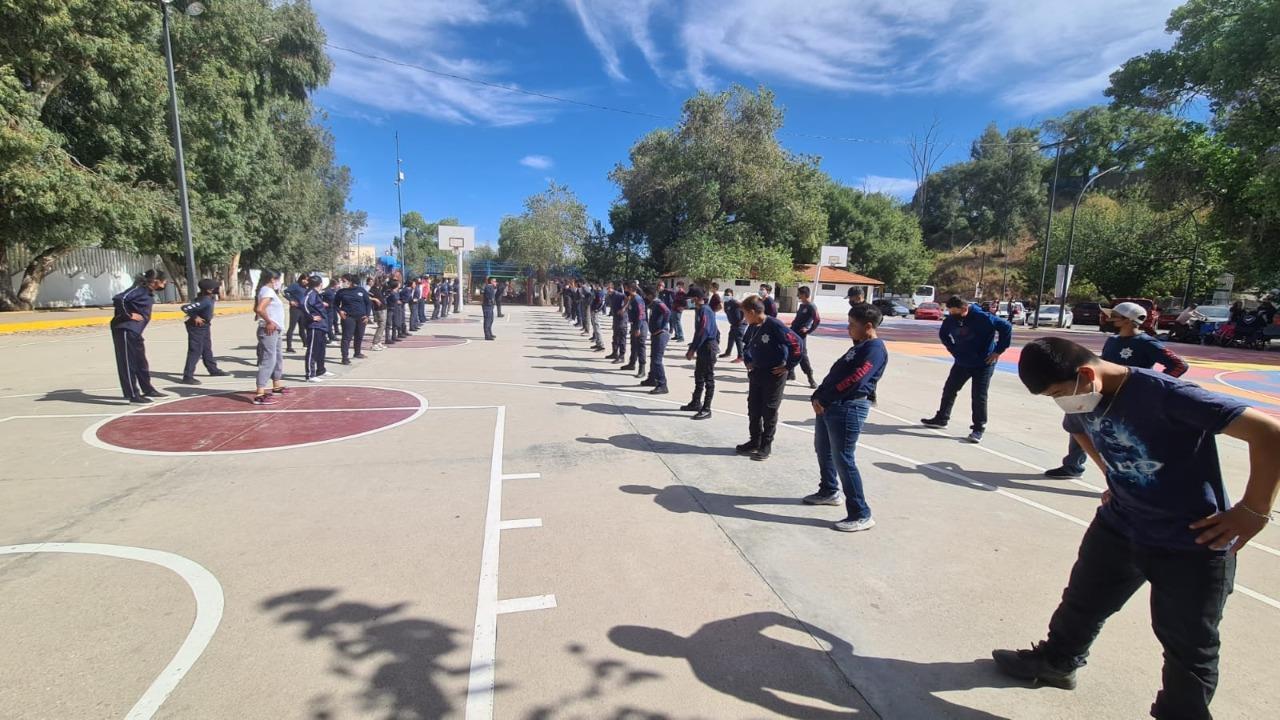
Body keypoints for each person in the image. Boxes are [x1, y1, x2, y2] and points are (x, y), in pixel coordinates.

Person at [993, 337, 1280, 720]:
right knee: (1082, 603)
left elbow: (1269, 433)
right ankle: (1058, 663)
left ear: (1085, 373)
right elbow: (1077, 426)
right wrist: (1114, 476)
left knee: (1189, 644)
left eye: (1060, 392)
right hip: (1120, 524)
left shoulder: (1165, 395)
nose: (1062, 401)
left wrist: (1253, 510)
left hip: (1190, 539)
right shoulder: (1083, 395)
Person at [1046, 302, 1189, 478]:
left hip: (1128, 398)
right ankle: (1073, 466)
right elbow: (1103, 363)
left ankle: (1131, 477)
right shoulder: (1113, 340)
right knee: (1076, 422)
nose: (1109, 318)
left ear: (1128, 320)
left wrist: (1152, 386)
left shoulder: (1146, 343)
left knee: (1122, 438)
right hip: (1103, 392)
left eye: (1114, 316)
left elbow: (1179, 365)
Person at [804, 303, 889, 532]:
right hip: (831, 406)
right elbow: (837, 373)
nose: (848, 329)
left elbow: (856, 379)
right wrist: (818, 394)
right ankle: (829, 490)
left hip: (848, 407)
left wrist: (828, 397)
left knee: (844, 458)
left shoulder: (874, 349)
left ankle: (861, 513)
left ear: (868, 326)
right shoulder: (859, 346)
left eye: (852, 325)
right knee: (823, 449)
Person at [920, 296, 1012, 444]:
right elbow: (943, 335)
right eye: (950, 312)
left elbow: (1006, 327)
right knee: (949, 389)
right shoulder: (951, 319)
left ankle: (978, 428)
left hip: (984, 363)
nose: (952, 316)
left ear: (964, 309)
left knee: (978, 396)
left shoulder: (984, 318)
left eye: (955, 312)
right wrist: (953, 349)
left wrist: (998, 351)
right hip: (962, 361)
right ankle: (942, 418)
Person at [739, 296, 802, 461]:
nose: (744, 317)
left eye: (745, 313)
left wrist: (788, 366)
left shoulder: (774, 325)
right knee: (753, 408)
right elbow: (746, 345)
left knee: (769, 409)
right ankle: (754, 440)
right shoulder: (752, 326)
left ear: (753, 312)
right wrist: (748, 361)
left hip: (774, 374)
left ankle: (766, 445)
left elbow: (796, 344)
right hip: (757, 372)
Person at [110, 269, 168, 404]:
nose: (165, 284)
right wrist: (128, 315)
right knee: (127, 363)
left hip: (135, 332)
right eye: (164, 281)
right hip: (125, 329)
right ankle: (132, 395)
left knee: (141, 361)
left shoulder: (147, 292)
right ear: (155, 281)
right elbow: (120, 298)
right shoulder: (138, 289)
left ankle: (147, 389)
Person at [178, 278, 230, 384]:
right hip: (196, 327)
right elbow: (185, 307)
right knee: (195, 351)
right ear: (209, 290)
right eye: (216, 287)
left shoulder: (210, 298)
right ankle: (187, 376)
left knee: (207, 348)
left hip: (205, 326)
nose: (218, 289)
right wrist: (195, 316)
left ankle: (213, 369)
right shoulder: (204, 300)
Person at [682, 286, 720, 420]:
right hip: (703, 347)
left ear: (697, 298)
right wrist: (694, 346)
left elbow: (703, 331)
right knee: (698, 375)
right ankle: (695, 402)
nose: (689, 301)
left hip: (708, 347)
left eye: (691, 298)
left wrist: (692, 349)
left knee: (708, 378)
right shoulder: (700, 310)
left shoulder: (705, 310)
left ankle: (707, 408)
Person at [252, 271, 289, 405]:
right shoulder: (267, 291)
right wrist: (268, 321)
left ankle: (276, 385)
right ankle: (260, 393)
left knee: (278, 357)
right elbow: (260, 309)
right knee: (269, 359)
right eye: (278, 279)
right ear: (273, 279)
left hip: (276, 329)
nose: (279, 282)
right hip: (269, 330)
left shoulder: (268, 291)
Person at [301, 274, 333, 382]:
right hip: (315, 326)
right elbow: (304, 304)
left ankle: (321, 369)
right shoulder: (310, 293)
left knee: (321, 349)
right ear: (320, 284)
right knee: (312, 350)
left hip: (322, 325)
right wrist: (311, 317)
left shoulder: (316, 294)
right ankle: (310, 374)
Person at [788, 286, 822, 388]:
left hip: (801, 334)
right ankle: (791, 373)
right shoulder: (802, 306)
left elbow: (817, 320)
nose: (798, 296)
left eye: (799, 294)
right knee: (790, 351)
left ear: (803, 294)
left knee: (802, 355)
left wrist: (809, 330)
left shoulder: (811, 306)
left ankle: (810, 378)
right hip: (794, 332)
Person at [335, 274, 371, 364]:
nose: (342, 283)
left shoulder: (361, 290)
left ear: (350, 281)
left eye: (344, 281)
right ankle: (345, 357)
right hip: (348, 317)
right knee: (346, 338)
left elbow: (368, 303)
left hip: (361, 318)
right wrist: (340, 311)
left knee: (359, 336)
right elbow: (335, 304)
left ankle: (357, 353)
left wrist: (367, 315)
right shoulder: (341, 292)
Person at [641, 286, 670, 394]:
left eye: (646, 295)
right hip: (655, 334)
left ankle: (662, 384)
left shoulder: (658, 303)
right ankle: (652, 378)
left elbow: (667, 312)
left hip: (661, 335)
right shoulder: (653, 304)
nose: (645, 297)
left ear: (650, 295)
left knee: (657, 361)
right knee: (653, 358)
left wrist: (662, 327)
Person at [622, 282, 647, 378]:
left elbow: (641, 314)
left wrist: (638, 328)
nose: (625, 290)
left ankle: (642, 369)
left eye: (626, 288)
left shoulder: (637, 299)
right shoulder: (631, 298)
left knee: (641, 347)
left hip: (640, 325)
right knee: (633, 345)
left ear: (631, 289)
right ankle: (632, 363)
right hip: (634, 325)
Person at [283, 273, 307, 353]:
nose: (305, 281)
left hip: (303, 309)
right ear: (301, 278)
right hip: (295, 309)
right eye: (304, 279)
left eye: (307, 280)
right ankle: (289, 347)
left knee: (302, 328)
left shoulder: (306, 287)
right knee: (291, 328)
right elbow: (285, 292)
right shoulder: (295, 285)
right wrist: (291, 300)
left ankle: (305, 343)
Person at [720, 288, 745, 362]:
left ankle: (741, 356)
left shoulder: (735, 302)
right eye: (725, 294)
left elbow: (744, 308)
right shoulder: (726, 303)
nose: (726, 296)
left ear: (732, 295)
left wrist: (742, 319)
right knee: (731, 337)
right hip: (733, 324)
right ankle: (728, 353)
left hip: (740, 324)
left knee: (738, 339)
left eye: (728, 294)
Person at [609, 281, 630, 362]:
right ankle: (614, 353)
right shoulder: (611, 295)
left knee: (621, 338)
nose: (608, 290)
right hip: (616, 319)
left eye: (609, 288)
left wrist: (623, 309)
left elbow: (627, 299)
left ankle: (621, 356)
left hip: (622, 319)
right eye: (607, 288)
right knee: (615, 337)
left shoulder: (619, 294)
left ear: (613, 288)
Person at [369, 276, 387, 351]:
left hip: (383, 308)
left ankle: (379, 341)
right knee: (381, 325)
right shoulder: (373, 289)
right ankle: (375, 343)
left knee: (383, 326)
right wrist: (375, 299)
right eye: (380, 281)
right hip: (379, 309)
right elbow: (367, 297)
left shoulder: (379, 288)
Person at [383, 279, 402, 346]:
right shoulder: (389, 292)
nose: (399, 284)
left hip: (396, 309)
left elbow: (398, 299)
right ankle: (387, 338)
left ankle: (394, 336)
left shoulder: (397, 292)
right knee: (388, 324)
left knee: (395, 323)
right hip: (390, 309)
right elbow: (386, 299)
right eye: (398, 283)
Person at [589, 282, 606, 351]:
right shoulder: (597, 292)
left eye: (595, 285)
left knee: (597, 328)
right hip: (594, 310)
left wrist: (597, 309)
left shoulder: (599, 293)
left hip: (595, 311)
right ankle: (598, 343)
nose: (594, 286)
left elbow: (601, 302)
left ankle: (601, 345)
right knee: (595, 328)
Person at [481, 276, 498, 340]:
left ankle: (490, 333)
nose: (495, 282)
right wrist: (492, 301)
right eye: (494, 281)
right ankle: (487, 335)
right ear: (491, 281)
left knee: (491, 320)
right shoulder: (488, 287)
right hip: (487, 306)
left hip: (490, 306)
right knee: (487, 321)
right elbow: (490, 296)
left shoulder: (491, 287)